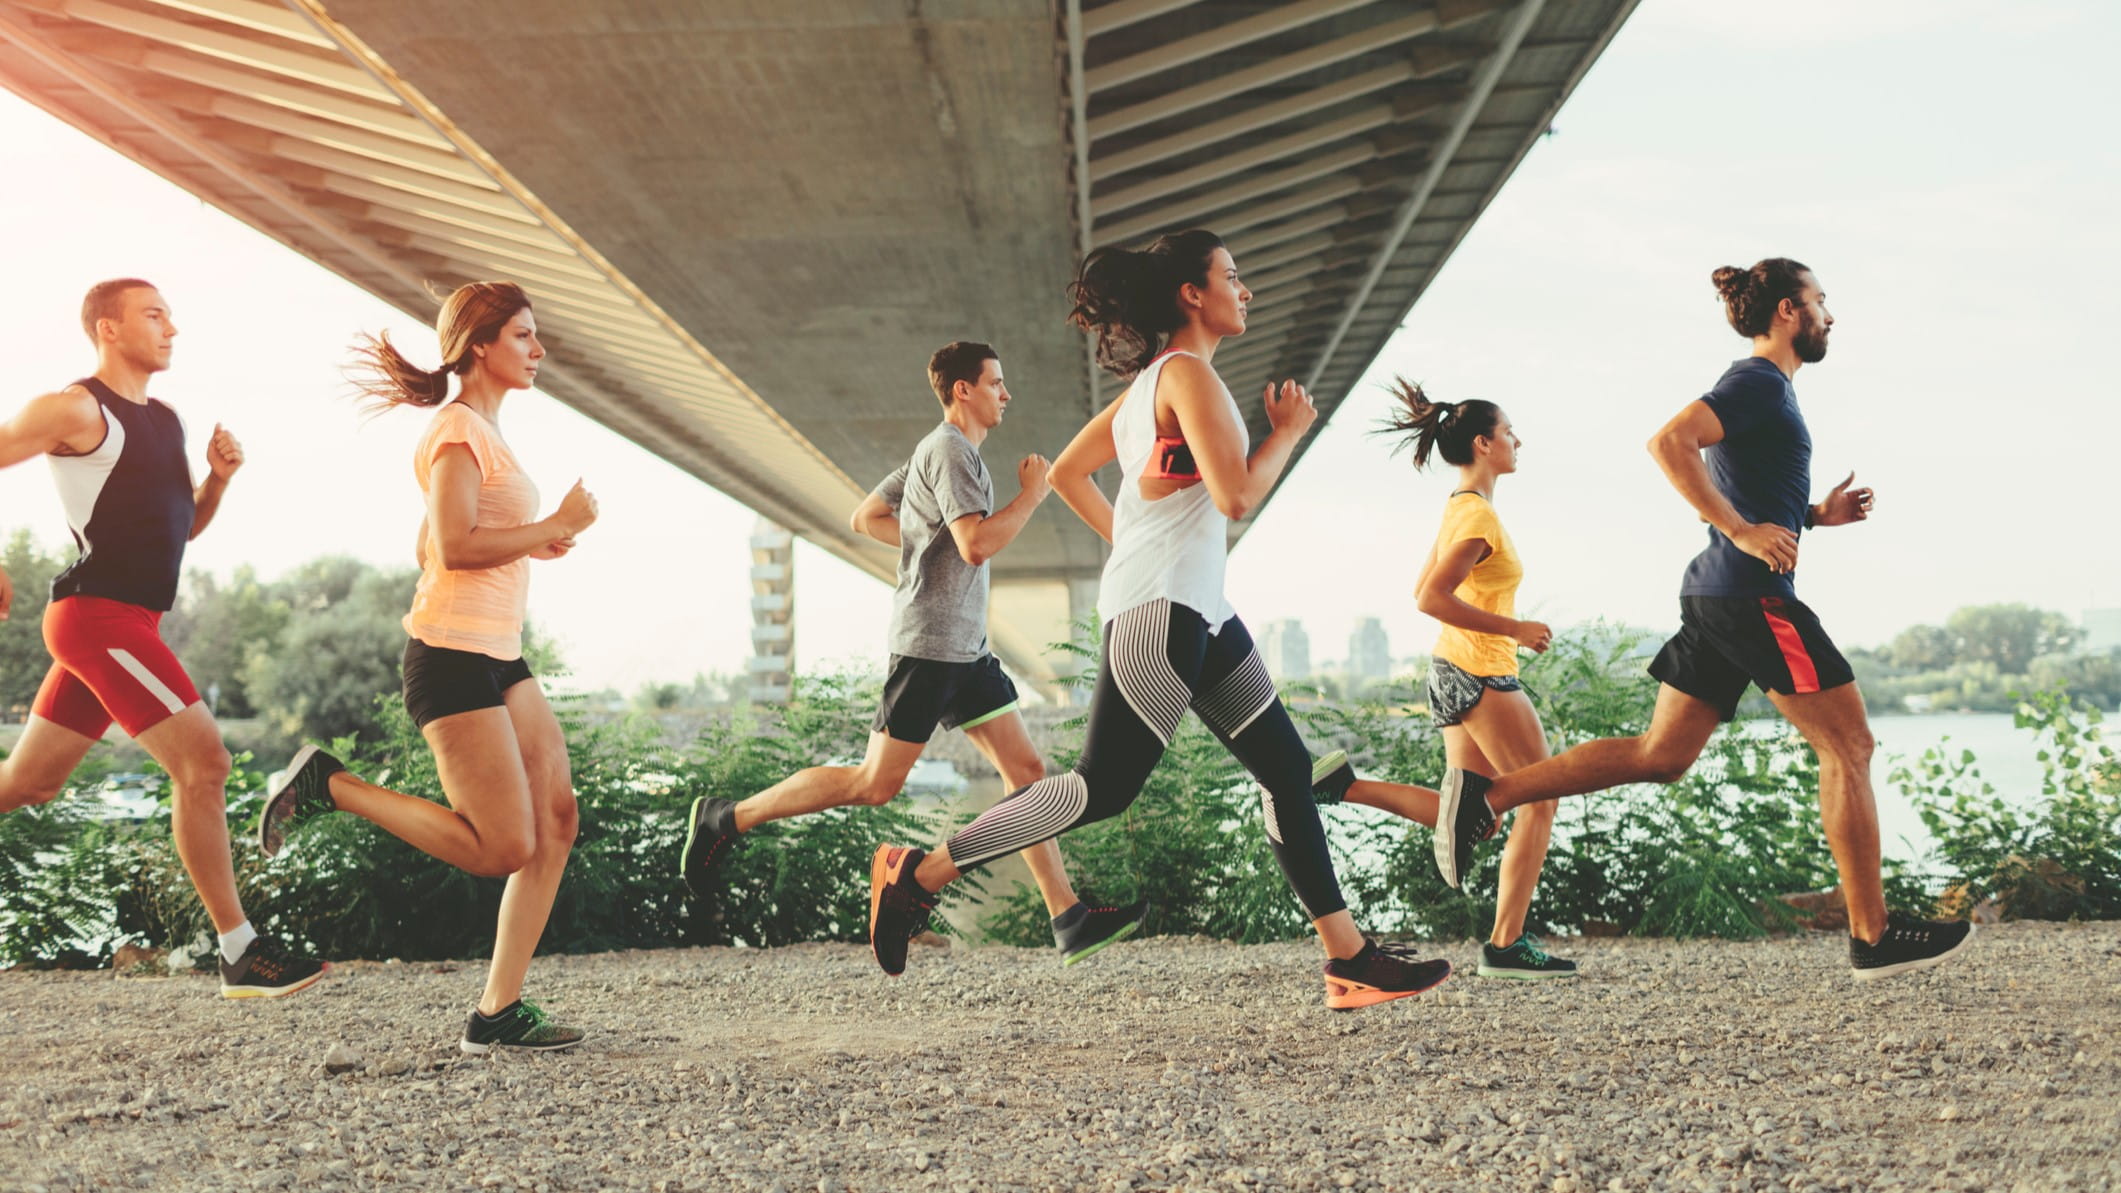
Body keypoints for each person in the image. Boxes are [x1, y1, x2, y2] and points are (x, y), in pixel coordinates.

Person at [864, 231, 1452, 1009]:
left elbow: (1071, 474)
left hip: (1202, 609)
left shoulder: (1149, 387)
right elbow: (1236, 496)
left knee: (1286, 771)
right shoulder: (1186, 378)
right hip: (1160, 610)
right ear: (1191, 294)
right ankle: (920, 872)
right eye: (1232, 277)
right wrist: (1285, 434)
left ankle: (1348, 960)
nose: (1246, 292)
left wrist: (1133, 537)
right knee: (1101, 786)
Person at [1430, 258, 1975, 981]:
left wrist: (1810, 516)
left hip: (1717, 595)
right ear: (1787, 310)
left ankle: (1490, 794)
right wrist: (1745, 532)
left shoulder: (1766, 392)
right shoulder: (1753, 381)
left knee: (1661, 755)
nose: (1829, 315)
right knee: (1849, 746)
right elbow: (1667, 443)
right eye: (1819, 301)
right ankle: (1871, 936)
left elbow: (1745, 488)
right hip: (1752, 596)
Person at [682, 341, 1148, 964]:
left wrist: (918, 546)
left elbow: (866, 516)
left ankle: (1068, 917)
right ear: (964, 390)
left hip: (970, 653)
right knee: (875, 784)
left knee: (1028, 775)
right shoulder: (951, 451)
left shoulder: (940, 452)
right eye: (996, 383)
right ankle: (724, 818)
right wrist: (1035, 494)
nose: (1006, 393)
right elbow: (977, 544)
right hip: (930, 650)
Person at [258, 281, 598, 1048]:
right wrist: (551, 522)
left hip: (499, 654)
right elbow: (450, 548)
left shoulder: (485, 431)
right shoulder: (455, 430)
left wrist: (531, 539)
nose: (538, 350)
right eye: (522, 336)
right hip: (448, 657)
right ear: (481, 345)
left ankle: (497, 1011)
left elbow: (429, 545)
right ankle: (330, 784)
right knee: (501, 845)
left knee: (557, 819)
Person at [0, 279, 327, 998]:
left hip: (130, 621)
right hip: (96, 617)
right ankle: (240, 951)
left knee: (27, 783)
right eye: (154, 315)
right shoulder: (75, 407)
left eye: (171, 315)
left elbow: (182, 529)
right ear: (109, 328)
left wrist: (217, 481)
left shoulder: (167, 420)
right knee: (204, 764)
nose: (172, 327)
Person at [1308, 379, 1575, 979]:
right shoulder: (1476, 515)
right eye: (1509, 433)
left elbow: (1419, 590)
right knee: (1540, 799)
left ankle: (1345, 787)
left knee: (1476, 812)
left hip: (1455, 672)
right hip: (1481, 674)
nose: (1517, 442)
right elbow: (1430, 596)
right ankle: (1507, 946)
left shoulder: (1460, 506)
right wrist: (1514, 627)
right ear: (1483, 443)